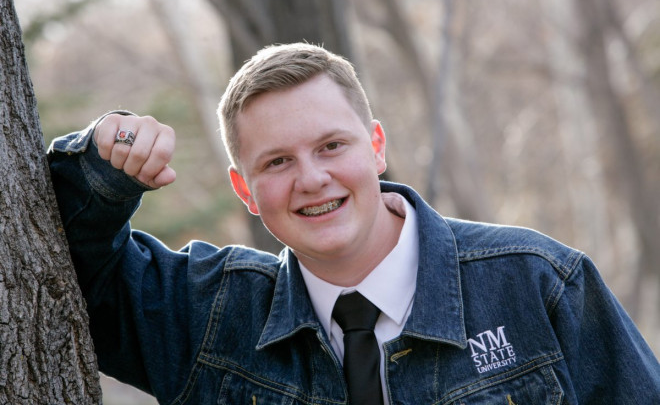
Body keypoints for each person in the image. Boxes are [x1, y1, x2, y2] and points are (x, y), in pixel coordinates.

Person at [48, 42, 659, 405]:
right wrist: (101, 166)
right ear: (247, 191)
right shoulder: (208, 316)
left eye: (332, 146)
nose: (312, 178)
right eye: (278, 161)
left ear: (376, 147)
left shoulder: (540, 285)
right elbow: (66, 276)